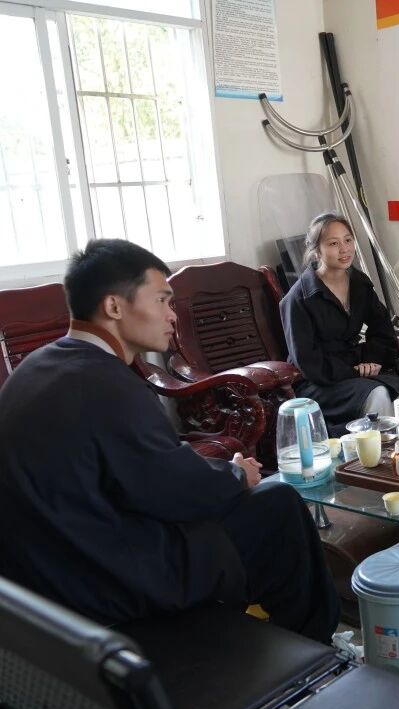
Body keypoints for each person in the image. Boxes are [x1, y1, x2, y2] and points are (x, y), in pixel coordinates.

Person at [0, 239, 340, 643]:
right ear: (114, 306)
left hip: (46, 577)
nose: (172, 315)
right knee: (277, 504)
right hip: (105, 581)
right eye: (162, 300)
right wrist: (236, 476)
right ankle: (316, 649)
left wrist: (217, 475)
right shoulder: (107, 385)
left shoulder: (38, 367)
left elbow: (144, 471)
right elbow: (176, 492)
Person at [281, 212, 399, 435]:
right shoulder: (298, 299)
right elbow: (308, 362)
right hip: (319, 382)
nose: (344, 249)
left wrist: (372, 360)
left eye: (348, 240)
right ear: (316, 250)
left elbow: (383, 328)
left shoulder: (359, 283)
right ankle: (379, 454)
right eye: (333, 243)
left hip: (354, 370)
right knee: (378, 394)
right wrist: (353, 370)